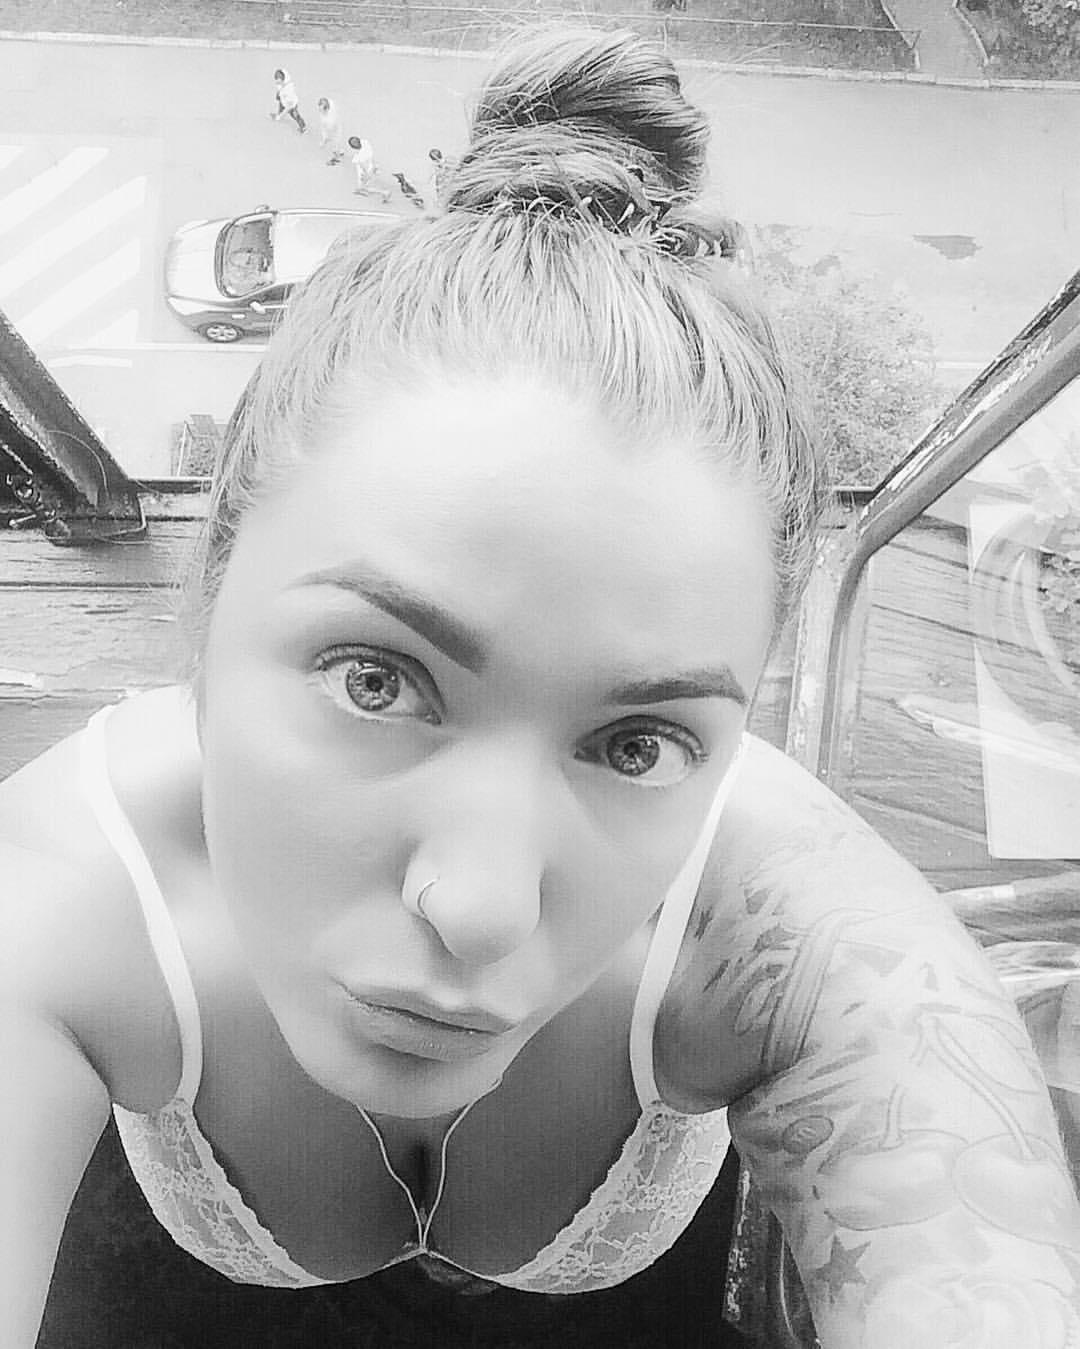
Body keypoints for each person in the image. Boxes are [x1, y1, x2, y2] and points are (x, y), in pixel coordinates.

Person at [5, 27, 1080, 1349]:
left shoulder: (777, 929)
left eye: (636, 742)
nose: (481, 908)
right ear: (211, 592)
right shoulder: (58, 903)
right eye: (377, 680)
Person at [348, 133, 392, 204]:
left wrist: (367, 174)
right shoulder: (365, 144)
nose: (355, 143)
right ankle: (383, 194)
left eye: (355, 142)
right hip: (370, 167)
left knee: (365, 187)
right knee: (364, 186)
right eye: (353, 143)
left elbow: (363, 165)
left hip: (368, 169)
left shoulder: (361, 153)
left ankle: (385, 193)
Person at [270, 68, 306, 135]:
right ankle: (278, 113)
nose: (276, 82)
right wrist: (278, 94)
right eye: (276, 79)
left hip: (291, 106)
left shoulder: (289, 90)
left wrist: (280, 117)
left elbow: (289, 107)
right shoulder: (281, 83)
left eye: (278, 80)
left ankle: (303, 127)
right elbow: (279, 88)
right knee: (280, 108)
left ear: (282, 79)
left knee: (295, 116)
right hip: (283, 100)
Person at [317, 96, 346, 166]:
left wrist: (325, 140)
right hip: (335, 128)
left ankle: (335, 158)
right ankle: (339, 151)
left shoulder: (329, 119)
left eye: (321, 110)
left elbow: (327, 130)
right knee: (336, 144)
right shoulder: (330, 103)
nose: (319, 110)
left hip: (334, 131)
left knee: (335, 146)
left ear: (326, 109)